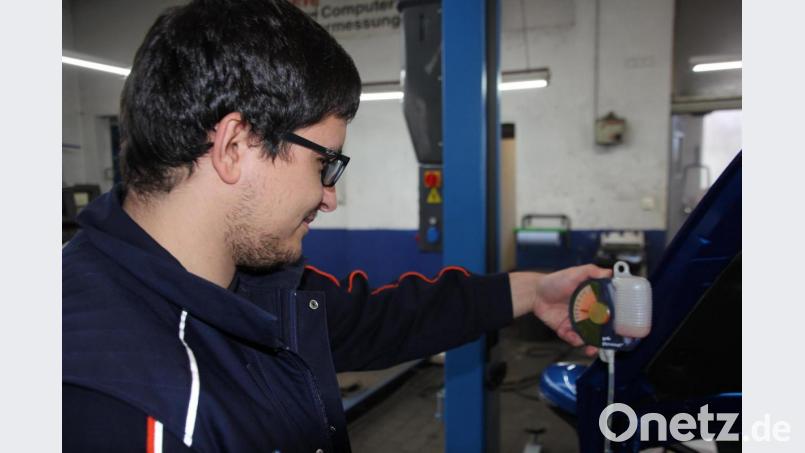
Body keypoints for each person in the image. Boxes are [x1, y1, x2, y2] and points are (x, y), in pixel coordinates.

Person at [62, 0, 610, 451]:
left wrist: (534, 290)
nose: (330, 197)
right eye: (324, 162)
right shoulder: (116, 402)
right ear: (235, 145)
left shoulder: (246, 285)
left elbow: (383, 321)